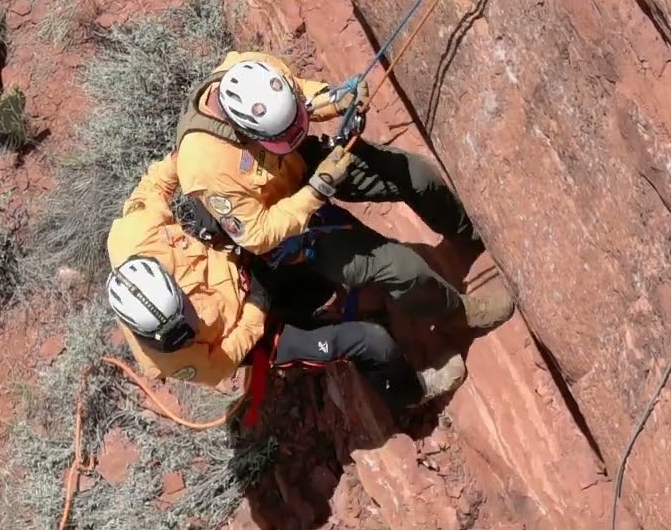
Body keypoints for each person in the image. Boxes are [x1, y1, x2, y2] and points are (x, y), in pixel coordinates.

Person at [171, 50, 515, 336]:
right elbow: (258, 234)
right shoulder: (206, 166)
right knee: (400, 266)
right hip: (287, 228)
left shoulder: (255, 69)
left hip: (300, 161)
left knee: (415, 174)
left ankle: (465, 233)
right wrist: (317, 190)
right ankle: (456, 314)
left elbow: (302, 96)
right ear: (243, 129)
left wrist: (336, 100)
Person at [104, 153, 467, 413]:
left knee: (272, 232)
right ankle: (411, 392)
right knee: (371, 340)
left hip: (240, 269)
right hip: (251, 331)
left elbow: (157, 182)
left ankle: (315, 296)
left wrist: (192, 157)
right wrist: (257, 307)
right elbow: (224, 361)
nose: (191, 315)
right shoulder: (169, 359)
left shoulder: (135, 234)